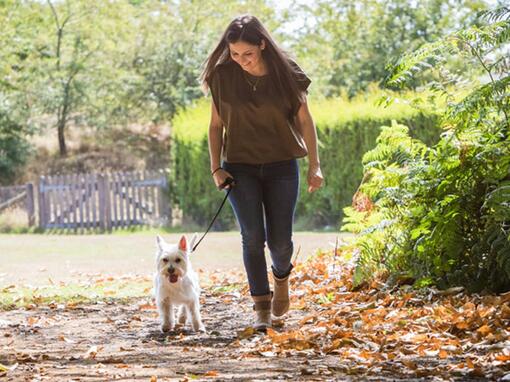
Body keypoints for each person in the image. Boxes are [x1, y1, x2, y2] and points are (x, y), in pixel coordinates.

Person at [199, 14, 323, 331]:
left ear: (263, 45)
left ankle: (281, 276)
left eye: (247, 54)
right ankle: (261, 309)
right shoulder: (222, 76)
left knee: (280, 242)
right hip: (239, 168)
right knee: (252, 237)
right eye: (235, 54)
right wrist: (215, 167)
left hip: (282, 165)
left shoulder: (287, 74)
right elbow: (215, 126)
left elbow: (305, 121)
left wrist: (315, 165)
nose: (240, 60)